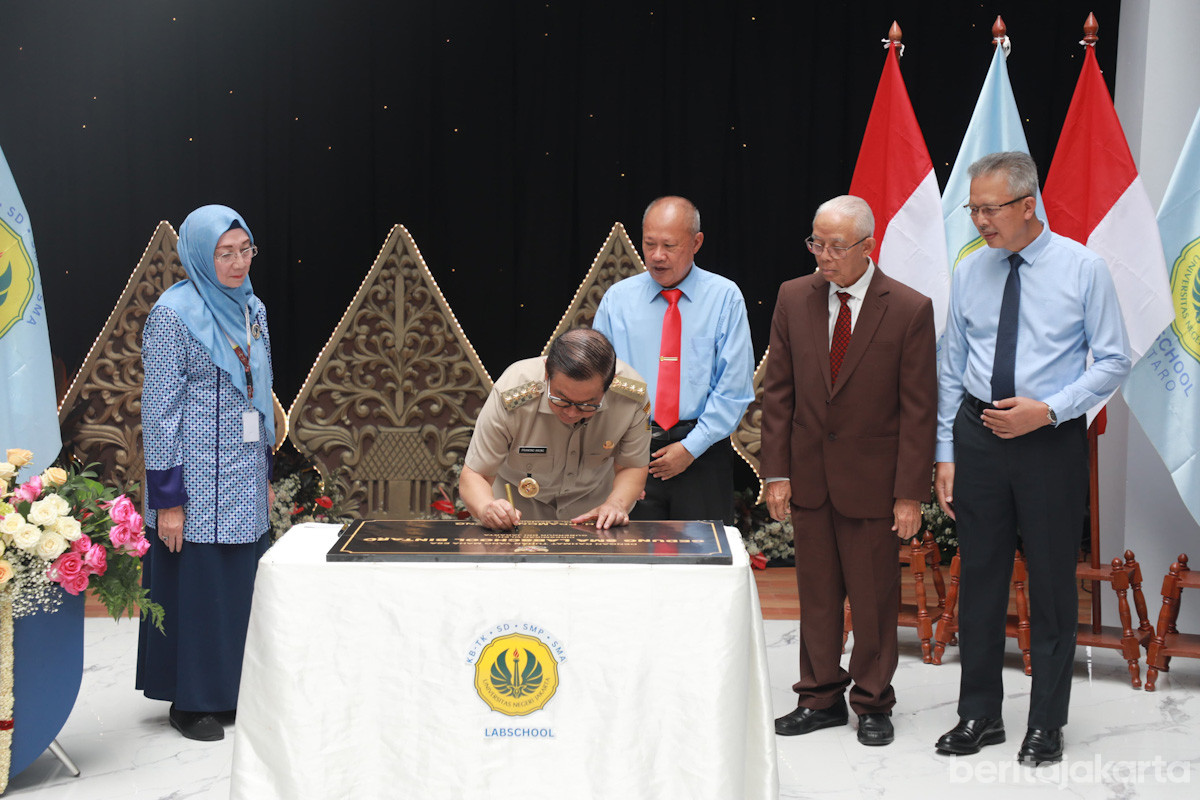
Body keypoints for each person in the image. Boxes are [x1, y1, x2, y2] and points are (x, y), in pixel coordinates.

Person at [933, 152, 1131, 765]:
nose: (980, 221)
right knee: (982, 580)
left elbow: (1114, 359)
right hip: (977, 434)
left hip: (1048, 439)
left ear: (1028, 204)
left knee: (1049, 585)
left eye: (991, 209)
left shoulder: (1084, 268)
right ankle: (979, 715)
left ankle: (1046, 722)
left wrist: (1047, 411)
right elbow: (950, 364)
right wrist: (946, 452)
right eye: (973, 209)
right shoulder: (970, 270)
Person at [761, 195, 937, 747]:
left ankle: (873, 701)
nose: (824, 257)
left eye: (837, 247)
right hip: (810, 477)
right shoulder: (794, 297)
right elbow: (779, 394)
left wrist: (910, 493)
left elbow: (918, 409)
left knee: (873, 598)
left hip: (874, 484)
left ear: (868, 246)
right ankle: (818, 697)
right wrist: (776, 473)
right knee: (815, 594)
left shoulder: (908, 308)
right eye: (816, 244)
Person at [137, 205, 275, 742]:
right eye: (225, 253)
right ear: (200, 254)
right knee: (196, 589)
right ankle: (190, 702)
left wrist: (264, 466)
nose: (238, 262)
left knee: (237, 588)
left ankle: (235, 690)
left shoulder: (252, 308)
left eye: (245, 250)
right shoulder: (172, 316)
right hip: (191, 486)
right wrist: (168, 499)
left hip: (241, 477)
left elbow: (260, 393)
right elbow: (160, 410)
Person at [592, 196, 754, 525]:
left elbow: (733, 387)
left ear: (696, 243)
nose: (657, 256)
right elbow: (599, 381)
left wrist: (691, 448)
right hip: (632, 452)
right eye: (649, 243)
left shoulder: (724, 297)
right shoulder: (618, 300)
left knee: (704, 563)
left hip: (703, 454)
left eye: (669, 245)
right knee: (633, 561)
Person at [460, 328, 650, 529]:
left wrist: (616, 504)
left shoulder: (630, 397)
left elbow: (632, 466)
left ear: (608, 385)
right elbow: (475, 474)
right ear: (546, 373)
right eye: (561, 400)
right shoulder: (513, 391)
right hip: (515, 514)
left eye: (587, 405)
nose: (572, 413)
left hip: (593, 518)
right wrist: (486, 508)